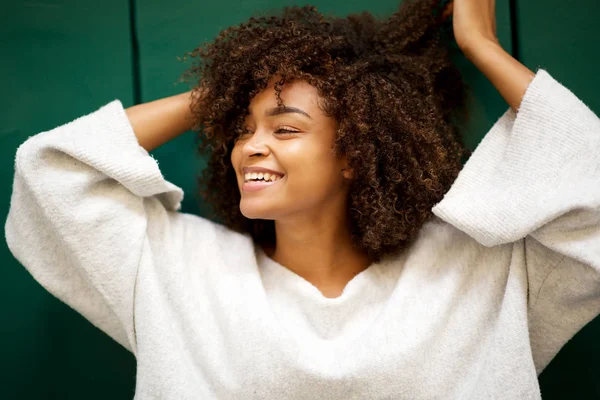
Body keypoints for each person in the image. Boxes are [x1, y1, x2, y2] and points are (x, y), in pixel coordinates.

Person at [5, 0, 600, 398]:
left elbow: (589, 186)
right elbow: (51, 172)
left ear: (354, 153)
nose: (249, 148)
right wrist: (229, 93)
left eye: (285, 129)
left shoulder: (478, 273)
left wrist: (480, 45)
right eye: (241, 129)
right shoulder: (177, 271)